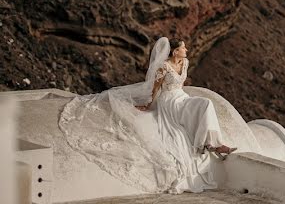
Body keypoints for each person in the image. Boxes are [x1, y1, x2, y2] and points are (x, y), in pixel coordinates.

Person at [59, 37, 237, 194]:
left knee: (205, 103)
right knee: (192, 115)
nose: (186, 50)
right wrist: (148, 105)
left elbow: (181, 84)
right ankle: (211, 144)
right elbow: (155, 88)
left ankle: (213, 143)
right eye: (183, 48)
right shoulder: (164, 67)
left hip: (182, 97)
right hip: (169, 102)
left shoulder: (186, 62)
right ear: (175, 51)